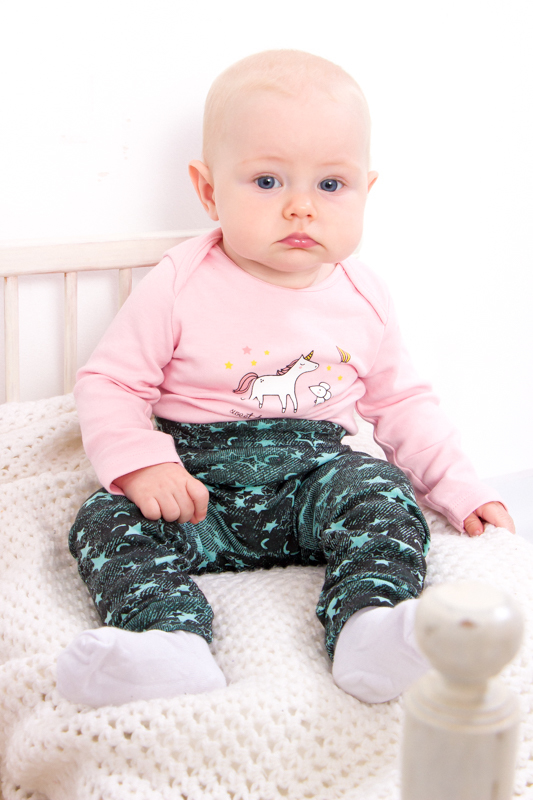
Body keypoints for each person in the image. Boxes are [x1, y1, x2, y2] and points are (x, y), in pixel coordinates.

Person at [57, 50, 514, 708]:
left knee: (382, 493)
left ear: (365, 190)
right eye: (268, 181)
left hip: (313, 484)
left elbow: (404, 403)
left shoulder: (363, 295)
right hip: (199, 493)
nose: (301, 207)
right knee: (104, 518)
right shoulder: (180, 282)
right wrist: (141, 464)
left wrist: (457, 486)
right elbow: (112, 383)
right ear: (209, 190)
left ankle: (369, 627)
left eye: (330, 185)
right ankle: (167, 642)